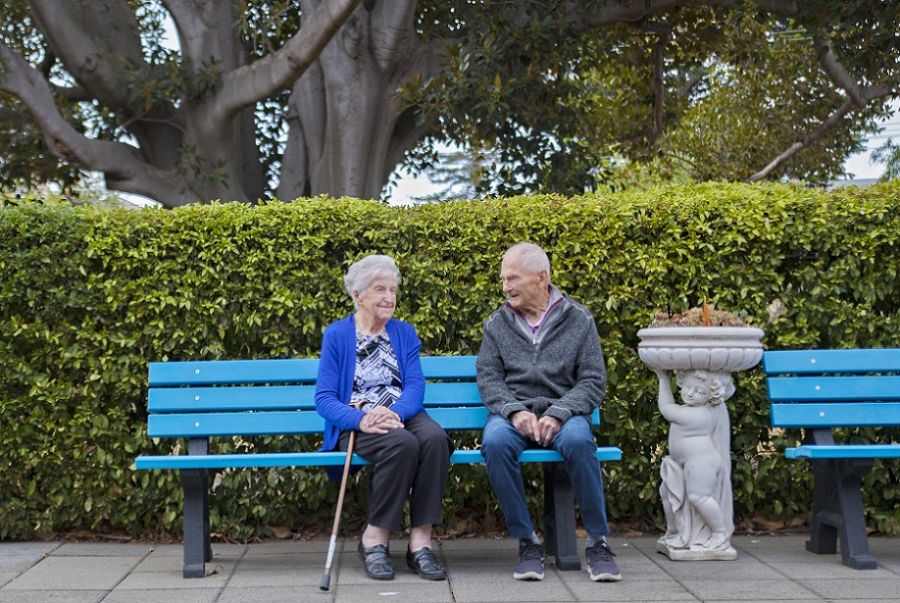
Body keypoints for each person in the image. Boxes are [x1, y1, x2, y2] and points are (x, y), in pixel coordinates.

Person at [476, 242, 621, 582]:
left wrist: (559, 412)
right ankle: (527, 541)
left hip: (565, 415)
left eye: (512, 278)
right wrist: (513, 412)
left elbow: (592, 380)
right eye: (502, 279)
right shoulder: (496, 323)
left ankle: (599, 543)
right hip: (514, 416)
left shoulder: (579, 319)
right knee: (495, 443)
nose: (505, 286)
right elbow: (489, 378)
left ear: (541, 277)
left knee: (580, 444)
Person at [315, 254, 453, 582]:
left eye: (392, 289)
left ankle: (421, 544)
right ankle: (374, 539)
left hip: (401, 411)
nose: (389, 297)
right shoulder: (337, 335)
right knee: (401, 445)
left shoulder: (404, 333)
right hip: (359, 419)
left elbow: (415, 387)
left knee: (434, 440)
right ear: (357, 295)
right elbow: (324, 399)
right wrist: (361, 420)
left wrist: (394, 412)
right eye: (380, 289)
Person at [654, 368, 735, 552]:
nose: (690, 393)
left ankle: (719, 532)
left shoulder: (700, 415)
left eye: (700, 392)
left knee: (699, 497)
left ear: (710, 396)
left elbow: (666, 408)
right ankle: (674, 530)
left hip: (701, 463)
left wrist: (663, 379)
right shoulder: (693, 408)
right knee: (666, 492)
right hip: (685, 463)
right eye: (688, 386)